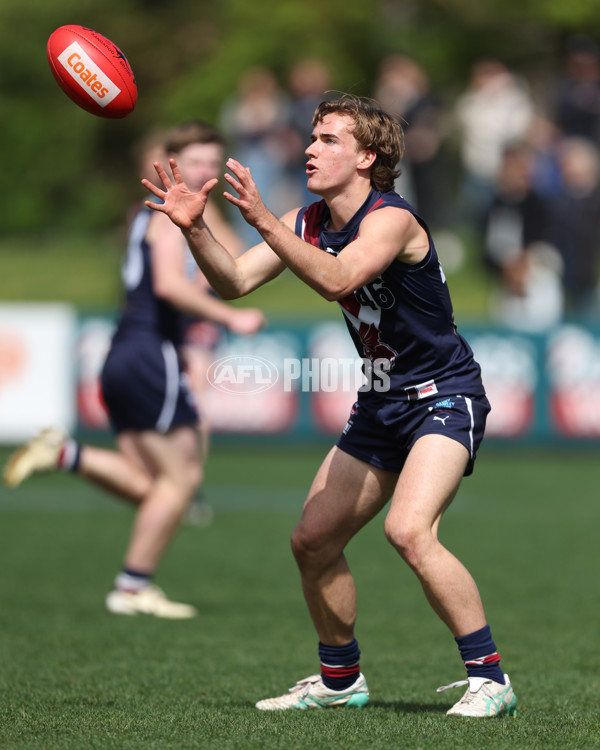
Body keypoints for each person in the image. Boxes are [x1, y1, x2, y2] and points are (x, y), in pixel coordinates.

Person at [142, 94, 518, 716]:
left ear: (368, 157)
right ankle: (341, 681)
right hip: (381, 402)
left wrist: (266, 221)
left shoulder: (391, 218)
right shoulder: (308, 220)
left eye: (329, 140)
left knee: (408, 530)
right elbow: (232, 282)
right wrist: (195, 228)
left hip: (442, 396)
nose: (311, 149)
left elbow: (340, 279)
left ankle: (491, 679)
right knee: (312, 541)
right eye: (312, 137)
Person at [2, 122, 265, 618]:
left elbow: (230, 252)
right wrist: (230, 314)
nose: (208, 169)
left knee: (154, 484)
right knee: (183, 478)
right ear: (171, 162)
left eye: (215, 160)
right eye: (198, 161)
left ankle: (67, 454)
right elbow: (168, 284)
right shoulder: (168, 215)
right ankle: (131, 586)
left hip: (123, 351)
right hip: (152, 352)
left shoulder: (159, 210)